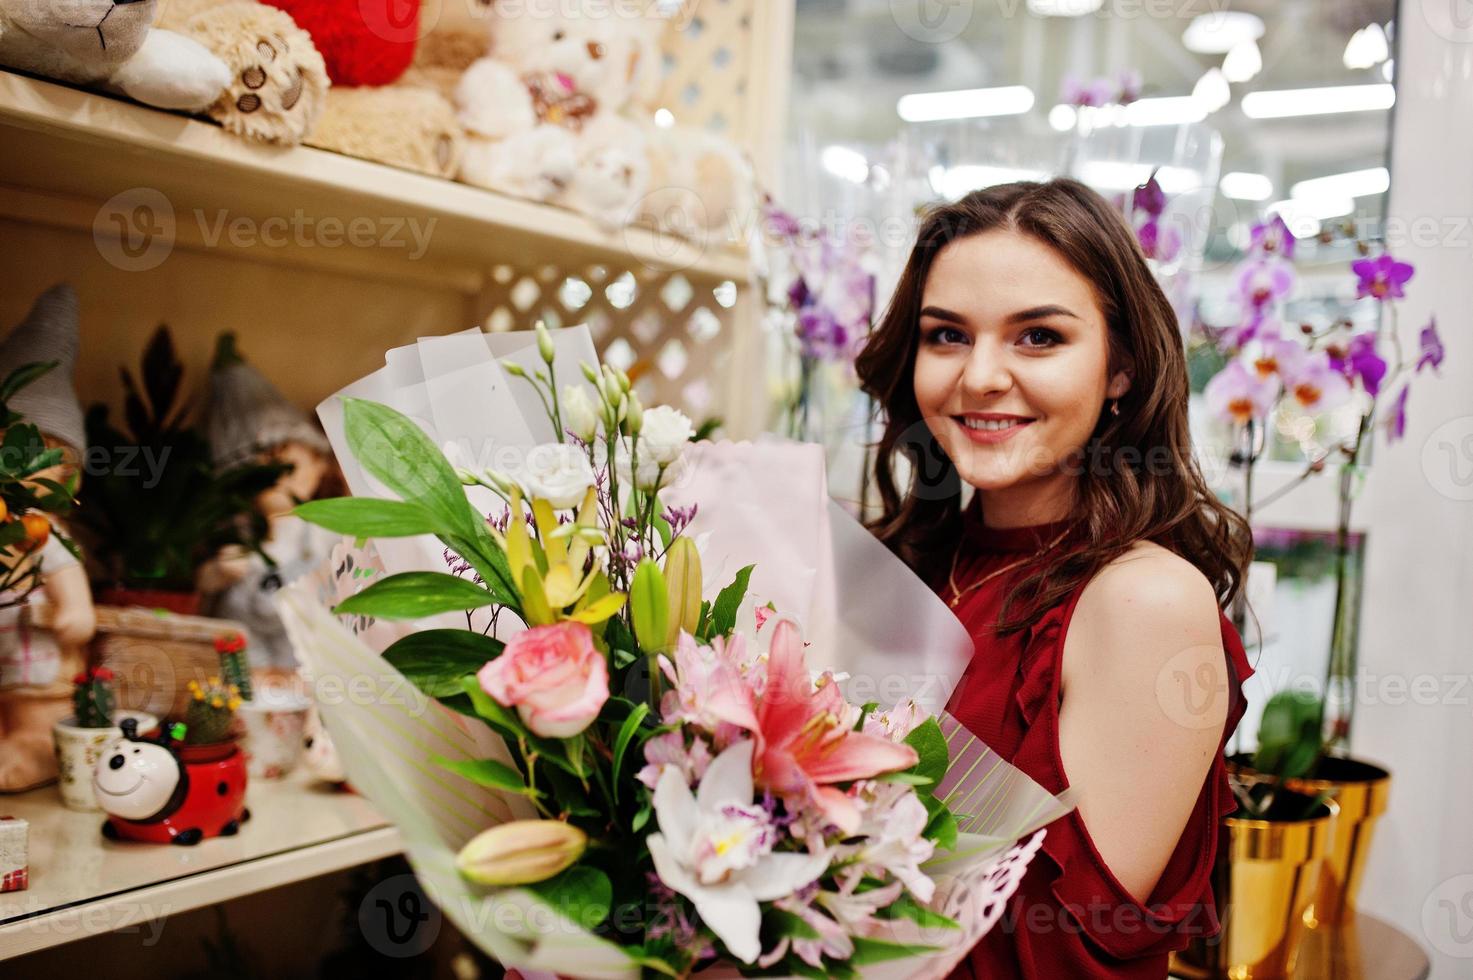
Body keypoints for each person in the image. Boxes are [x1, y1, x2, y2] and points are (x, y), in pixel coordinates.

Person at [854, 178, 1255, 979]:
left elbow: (1057, 952)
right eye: (946, 336)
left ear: (1121, 370)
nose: (980, 377)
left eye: (1037, 337)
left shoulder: (1143, 601)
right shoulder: (912, 566)